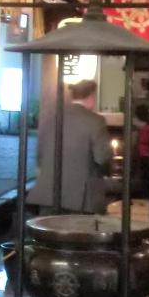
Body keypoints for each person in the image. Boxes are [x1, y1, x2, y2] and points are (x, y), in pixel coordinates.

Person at [27, 78, 111, 214]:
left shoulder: (51, 117)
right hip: (81, 199)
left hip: (48, 194)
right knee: (79, 228)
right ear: (91, 96)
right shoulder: (96, 121)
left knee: (48, 227)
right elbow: (102, 158)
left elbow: (39, 154)